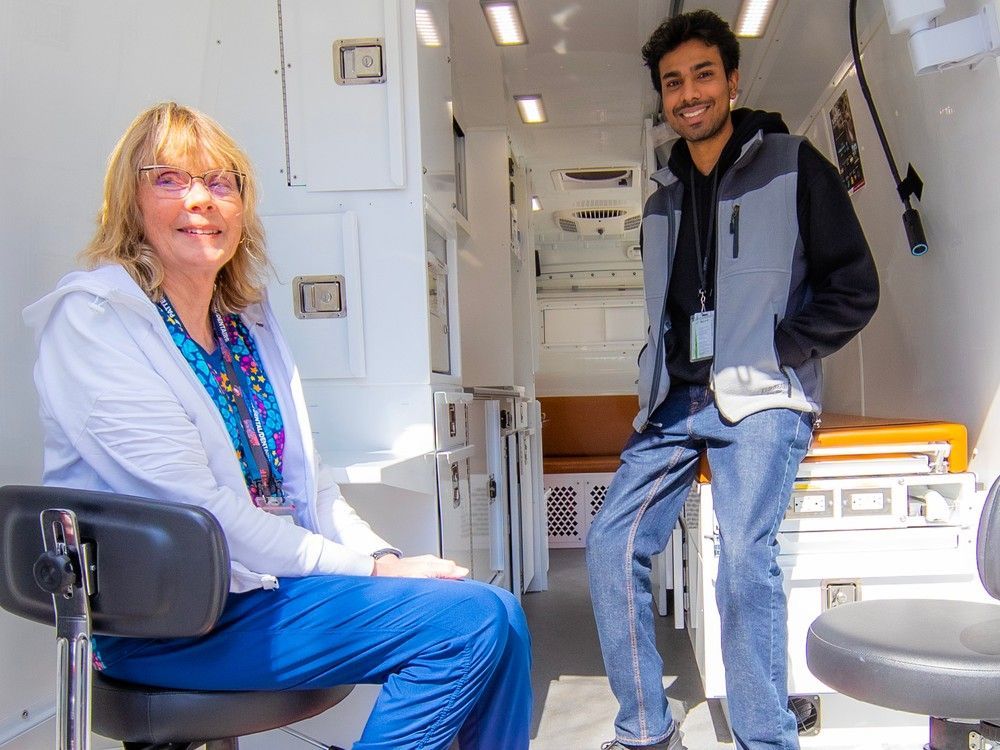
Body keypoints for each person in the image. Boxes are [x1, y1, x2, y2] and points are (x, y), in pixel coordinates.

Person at [23, 101, 532, 750]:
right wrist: (370, 576)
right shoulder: (96, 321)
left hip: (265, 593)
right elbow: (197, 510)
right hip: (171, 622)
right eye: (170, 179)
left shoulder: (246, 325)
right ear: (130, 200)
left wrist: (382, 556)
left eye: (220, 182)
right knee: (471, 625)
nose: (200, 199)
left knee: (502, 617)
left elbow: (308, 488)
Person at [586, 10, 879, 750]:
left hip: (761, 399)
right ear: (664, 95)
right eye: (673, 82)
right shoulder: (660, 196)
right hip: (675, 403)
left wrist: (779, 349)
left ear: (732, 80)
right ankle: (647, 728)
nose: (689, 93)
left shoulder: (793, 163)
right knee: (609, 546)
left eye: (702, 75)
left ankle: (764, 737)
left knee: (744, 557)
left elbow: (854, 286)